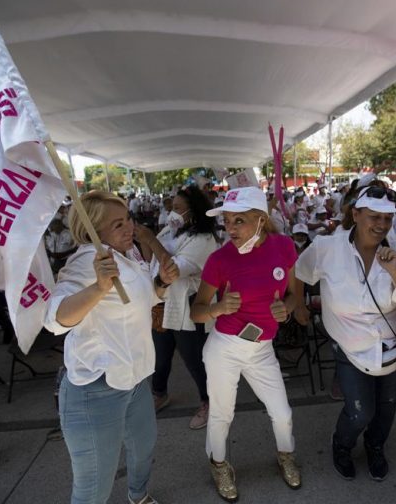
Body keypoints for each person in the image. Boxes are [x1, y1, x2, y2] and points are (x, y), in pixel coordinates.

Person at [44, 191, 179, 504]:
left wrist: (161, 284)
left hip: (135, 379)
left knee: (143, 448)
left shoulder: (125, 254)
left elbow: (138, 301)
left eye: (128, 218)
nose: (129, 227)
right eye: (117, 224)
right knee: (93, 486)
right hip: (95, 388)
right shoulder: (87, 262)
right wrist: (97, 288)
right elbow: (55, 318)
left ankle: (138, 496)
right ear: (93, 230)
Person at [295, 186, 396, 482]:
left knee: (387, 407)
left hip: (394, 346)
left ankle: (375, 446)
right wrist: (298, 304)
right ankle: (342, 444)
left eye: (388, 219)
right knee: (360, 412)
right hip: (350, 348)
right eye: (374, 216)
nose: (381, 225)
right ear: (355, 214)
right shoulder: (327, 247)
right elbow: (299, 271)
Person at [190, 186, 302, 502]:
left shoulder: (283, 246)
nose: (230, 228)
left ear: (261, 220)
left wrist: (288, 309)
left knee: (282, 412)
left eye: (239, 220)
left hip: (262, 349)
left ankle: (285, 456)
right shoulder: (220, 259)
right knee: (222, 414)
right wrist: (217, 308)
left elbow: (295, 294)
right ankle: (219, 463)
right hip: (225, 348)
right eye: (227, 220)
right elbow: (196, 312)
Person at [135, 186, 219, 429]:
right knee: (160, 356)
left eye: (179, 209)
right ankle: (159, 394)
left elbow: (173, 270)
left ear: (194, 212)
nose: (172, 213)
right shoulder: (170, 230)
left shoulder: (203, 239)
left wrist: (151, 239)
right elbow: (151, 259)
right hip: (161, 302)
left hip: (188, 306)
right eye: (171, 207)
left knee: (194, 359)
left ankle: (209, 402)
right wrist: (146, 241)